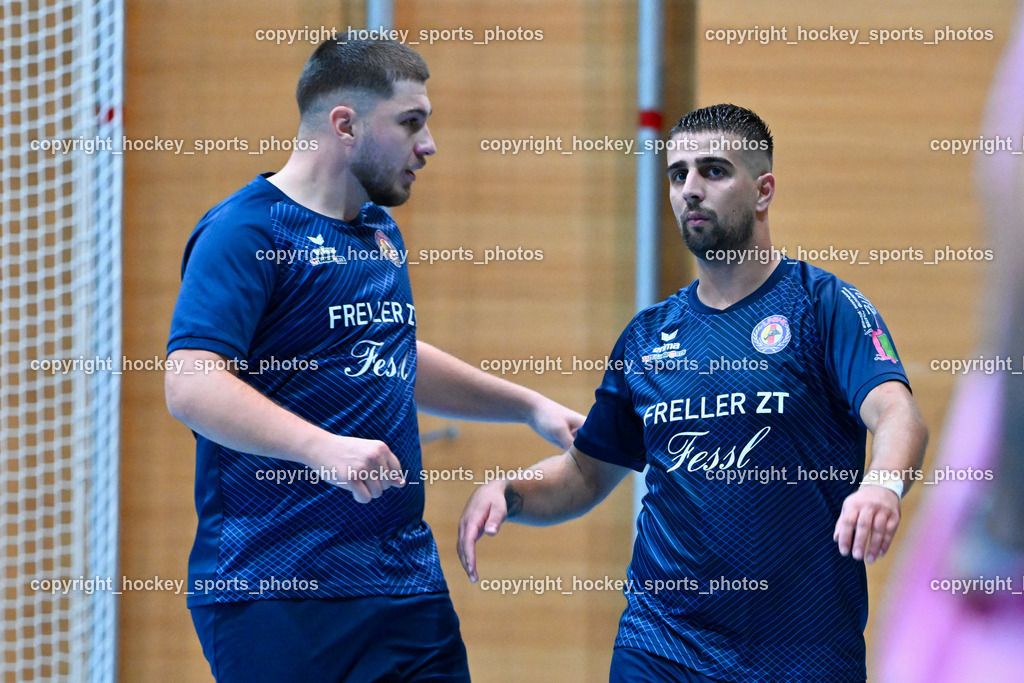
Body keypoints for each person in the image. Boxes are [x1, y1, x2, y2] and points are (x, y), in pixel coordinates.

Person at [458, 103, 928, 682]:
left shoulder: (822, 306)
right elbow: (584, 474)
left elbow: (896, 410)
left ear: (763, 191)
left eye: (713, 170)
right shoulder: (649, 336)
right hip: (662, 644)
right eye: (678, 175)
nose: (691, 190)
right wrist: (514, 491)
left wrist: (882, 484)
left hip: (802, 655)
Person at [164, 38, 584, 682]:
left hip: (404, 584)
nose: (429, 145)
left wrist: (528, 406)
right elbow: (192, 385)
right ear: (345, 124)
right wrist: (321, 448)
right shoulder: (247, 232)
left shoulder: (377, 231)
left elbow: (387, 350)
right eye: (411, 122)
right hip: (279, 588)